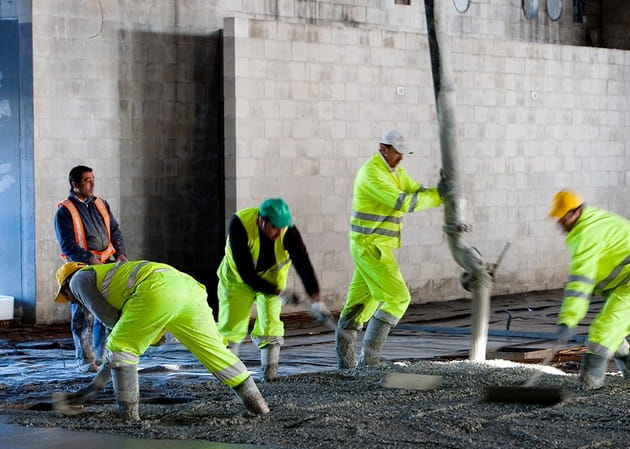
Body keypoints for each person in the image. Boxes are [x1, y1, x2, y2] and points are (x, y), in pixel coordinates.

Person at [51, 260, 269, 421]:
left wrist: (90, 389)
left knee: (121, 347)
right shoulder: (110, 276)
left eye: (67, 296)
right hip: (190, 289)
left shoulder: (79, 279)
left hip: (158, 289)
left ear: (67, 284)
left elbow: (111, 322)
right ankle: (260, 407)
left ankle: (127, 415)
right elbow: (127, 325)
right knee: (215, 353)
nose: (72, 301)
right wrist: (149, 333)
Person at [334, 129, 443, 369]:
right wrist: (438, 197)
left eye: (404, 153)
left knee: (358, 307)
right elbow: (403, 202)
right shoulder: (372, 174)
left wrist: (439, 193)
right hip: (370, 246)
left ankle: (346, 367)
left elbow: (414, 190)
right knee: (398, 298)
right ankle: (370, 362)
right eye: (397, 152)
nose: (401, 157)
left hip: (372, 247)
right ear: (383, 149)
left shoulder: (394, 172)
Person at [548, 189, 630, 390]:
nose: (559, 222)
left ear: (576, 212)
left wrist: (568, 319)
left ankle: (589, 383)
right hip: (627, 280)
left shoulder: (586, 234)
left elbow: (580, 283)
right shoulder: (591, 223)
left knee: (604, 328)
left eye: (563, 217)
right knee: (614, 330)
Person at [216, 198, 332, 382]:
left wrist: (318, 301)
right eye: (275, 227)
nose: (279, 232)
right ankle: (228, 378)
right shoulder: (240, 224)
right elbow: (247, 273)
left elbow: (304, 265)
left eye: (282, 228)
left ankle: (269, 378)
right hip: (237, 280)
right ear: (262, 221)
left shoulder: (288, 231)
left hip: (272, 277)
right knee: (231, 327)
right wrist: (279, 292)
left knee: (271, 325)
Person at [54, 165, 128, 372]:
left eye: (93, 179)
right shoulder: (65, 211)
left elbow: (115, 231)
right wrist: (90, 259)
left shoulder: (101, 204)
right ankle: (86, 361)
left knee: (107, 313)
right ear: (74, 185)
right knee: (83, 315)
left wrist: (121, 253)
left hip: (107, 266)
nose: (92, 183)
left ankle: (103, 357)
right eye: (87, 180)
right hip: (81, 270)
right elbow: (67, 245)